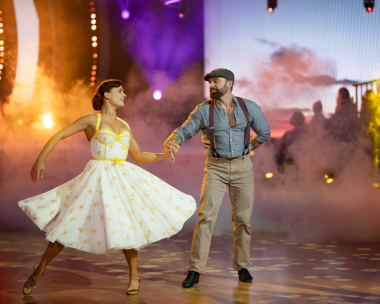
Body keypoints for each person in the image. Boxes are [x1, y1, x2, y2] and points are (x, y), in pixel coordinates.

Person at [18, 79, 196, 296]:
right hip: (96, 178)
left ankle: (134, 276)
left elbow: (138, 156)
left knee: (126, 224)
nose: (125, 95)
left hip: (121, 179)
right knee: (68, 224)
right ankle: (40, 270)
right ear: (107, 95)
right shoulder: (92, 120)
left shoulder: (125, 125)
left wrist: (163, 155)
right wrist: (40, 160)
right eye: (120, 91)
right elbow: (60, 135)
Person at [163, 68, 271, 288]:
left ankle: (242, 266)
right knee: (206, 218)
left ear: (229, 84)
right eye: (210, 82)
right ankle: (195, 270)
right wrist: (173, 140)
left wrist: (248, 148)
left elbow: (264, 133)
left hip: (242, 168)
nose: (211, 86)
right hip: (215, 168)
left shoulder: (249, 107)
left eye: (216, 82)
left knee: (242, 220)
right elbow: (184, 131)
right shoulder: (203, 110)